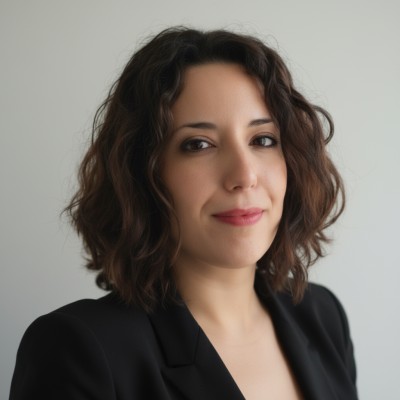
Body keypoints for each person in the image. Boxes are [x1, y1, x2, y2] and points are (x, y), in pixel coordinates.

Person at [9, 27, 358, 400]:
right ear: (141, 172)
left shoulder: (322, 316)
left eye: (263, 140)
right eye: (198, 144)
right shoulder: (78, 349)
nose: (244, 176)